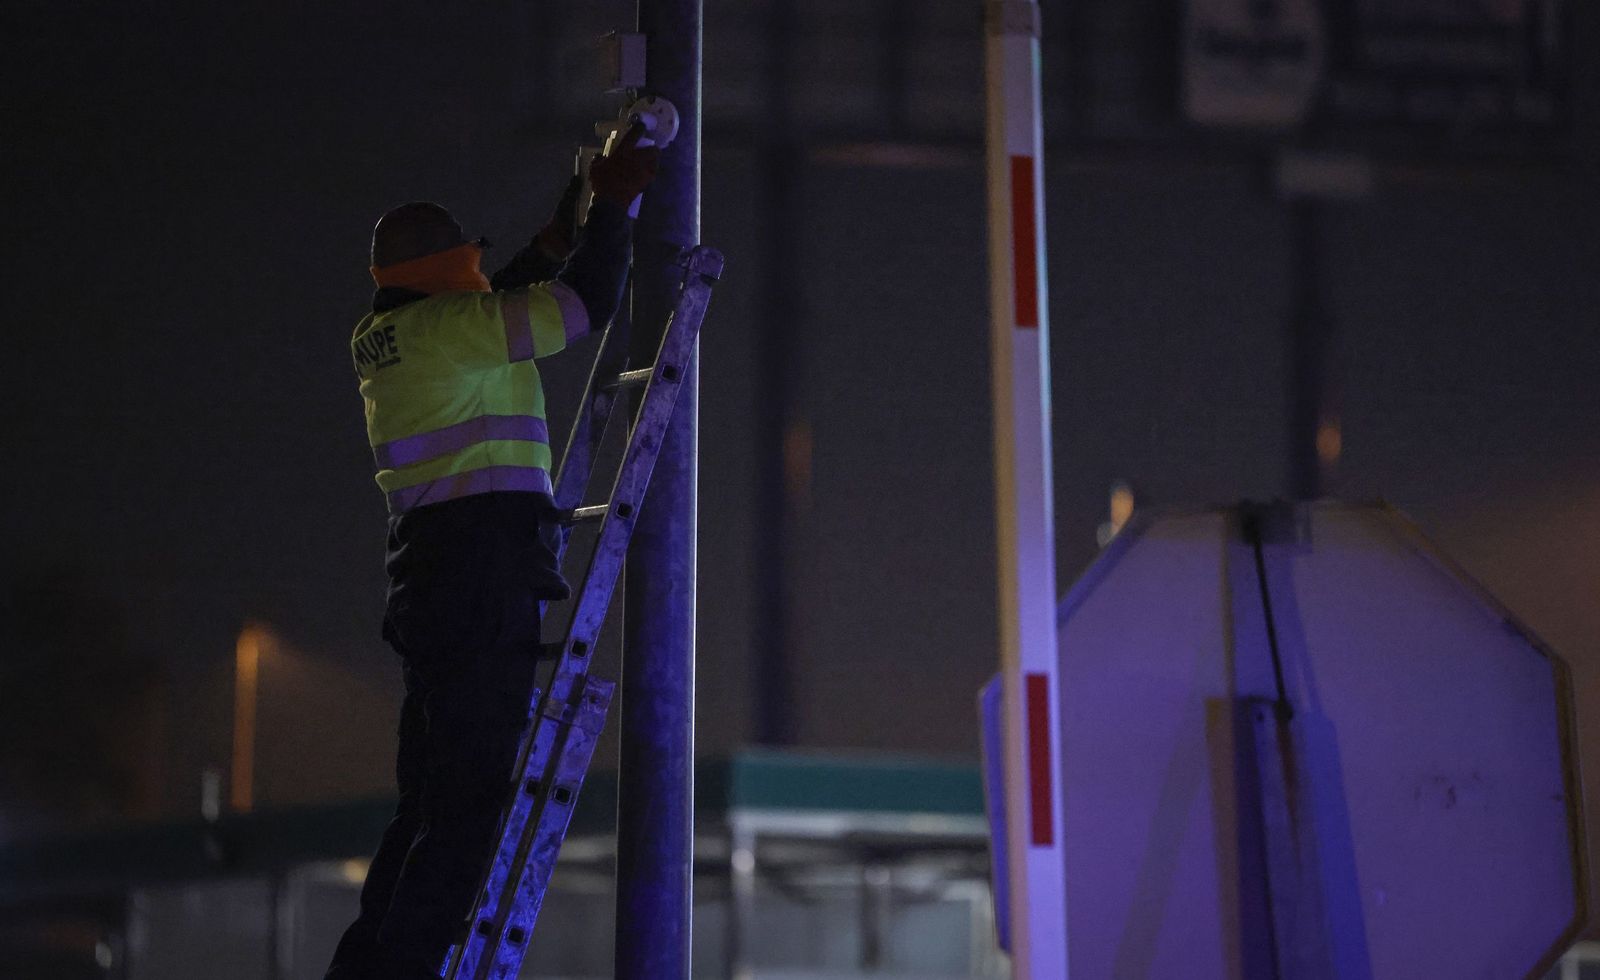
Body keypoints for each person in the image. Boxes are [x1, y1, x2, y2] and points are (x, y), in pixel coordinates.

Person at [326, 128, 659, 980]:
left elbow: (492, 303)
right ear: (445, 270)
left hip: (433, 582)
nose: (480, 273)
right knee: (469, 815)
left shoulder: (391, 332)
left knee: (426, 808)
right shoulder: (450, 328)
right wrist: (615, 208)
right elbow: (580, 307)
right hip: (480, 581)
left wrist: (558, 230)